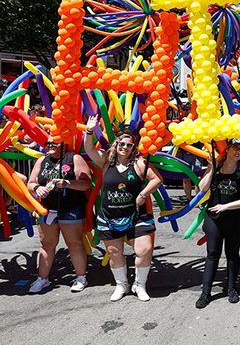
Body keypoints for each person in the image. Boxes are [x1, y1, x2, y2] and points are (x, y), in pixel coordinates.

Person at [83, 119, 163, 302]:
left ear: (133, 148)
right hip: (109, 217)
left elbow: (157, 179)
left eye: (129, 145)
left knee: (145, 250)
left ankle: (140, 285)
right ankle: (122, 284)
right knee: (115, 252)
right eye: (122, 144)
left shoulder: (139, 163)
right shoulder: (105, 162)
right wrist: (89, 131)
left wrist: (143, 194)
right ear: (116, 144)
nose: (125, 147)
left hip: (137, 215)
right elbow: (89, 150)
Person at [26, 137, 93, 294]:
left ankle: (81, 277)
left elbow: (86, 183)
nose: (48, 145)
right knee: (46, 244)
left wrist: (68, 183)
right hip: (48, 208)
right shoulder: (42, 160)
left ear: (63, 143)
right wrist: (36, 188)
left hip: (71, 207)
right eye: (47, 143)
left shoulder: (74, 158)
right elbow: (30, 182)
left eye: (53, 143)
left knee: (74, 243)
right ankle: (42, 278)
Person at [195, 141, 240, 308]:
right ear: (227, 149)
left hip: (236, 218)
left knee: (232, 254)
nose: (238, 152)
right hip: (214, 218)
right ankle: (205, 293)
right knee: (212, 254)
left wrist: (225, 206)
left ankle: (232, 289)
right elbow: (202, 188)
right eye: (235, 148)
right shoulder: (216, 165)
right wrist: (212, 168)